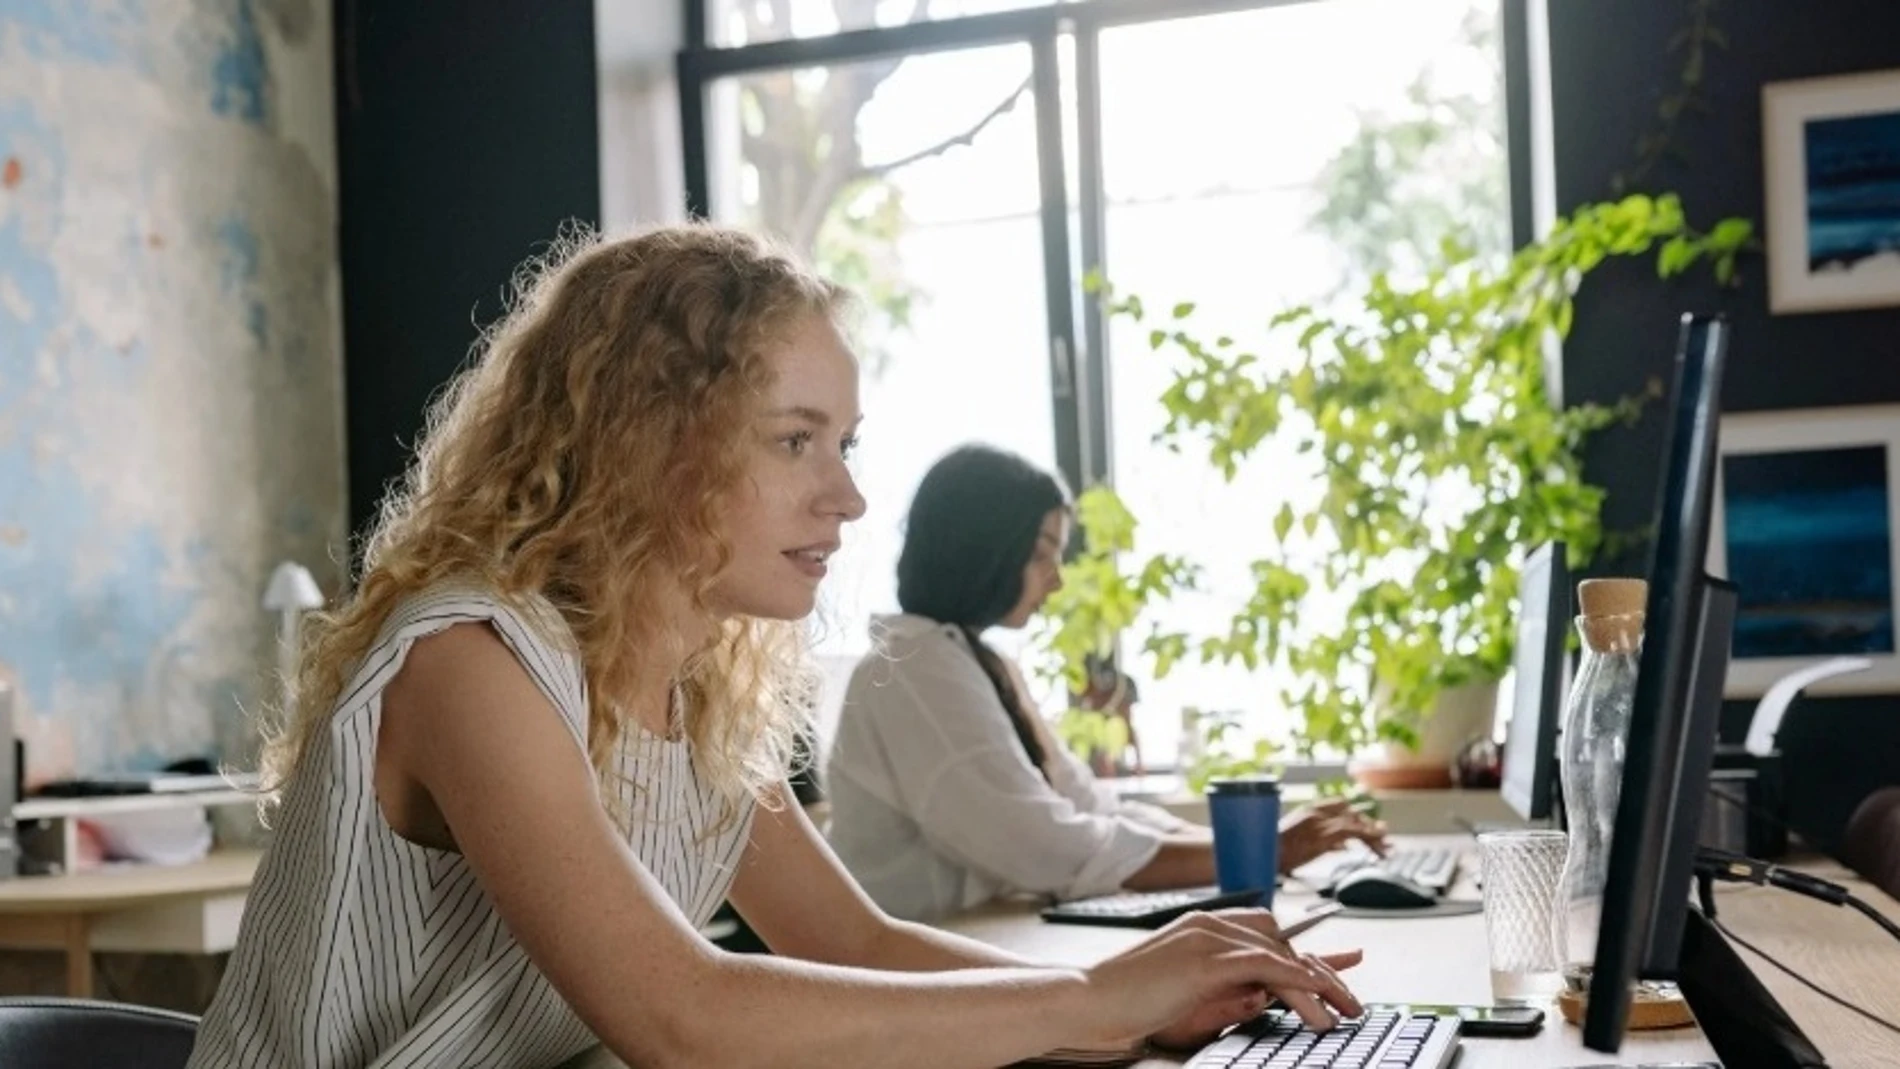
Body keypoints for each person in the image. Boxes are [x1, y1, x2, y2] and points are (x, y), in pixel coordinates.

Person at [185, 224, 1362, 1069]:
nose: (847, 498)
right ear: (651, 443)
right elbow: (682, 1018)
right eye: (796, 441)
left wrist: (1128, 1010)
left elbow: (850, 942)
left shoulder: (694, 691)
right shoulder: (472, 664)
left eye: (845, 440)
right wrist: (1092, 994)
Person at [825, 444, 1388, 924]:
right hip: (926, 966)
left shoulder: (974, 662)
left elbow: (1086, 804)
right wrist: (1264, 852)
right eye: (1044, 552)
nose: (1057, 578)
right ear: (985, 547)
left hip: (984, 937)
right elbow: (1043, 847)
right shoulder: (911, 668)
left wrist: (1258, 851)